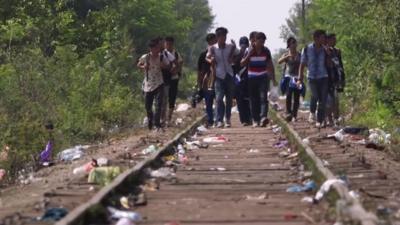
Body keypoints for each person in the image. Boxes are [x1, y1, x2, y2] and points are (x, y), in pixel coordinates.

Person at [241, 32, 277, 127]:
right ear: (255, 41)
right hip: (252, 78)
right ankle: (255, 120)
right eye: (259, 42)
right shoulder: (248, 50)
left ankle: (263, 118)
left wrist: (273, 78)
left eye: (263, 42)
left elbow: (269, 64)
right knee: (253, 99)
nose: (261, 44)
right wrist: (249, 54)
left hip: (263, 77)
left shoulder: (266, 51)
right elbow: (242, 64)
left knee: (263, 98)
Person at [298, 29, 330, 128]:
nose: (324, 39)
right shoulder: (307, 49)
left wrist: (328, 54)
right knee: (315, 95)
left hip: (323, 77)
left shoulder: (325, 50)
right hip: (311, 77)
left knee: (322, 100)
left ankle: (319, 121)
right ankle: (312, 112)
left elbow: (329, 64)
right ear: (316, 38)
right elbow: (302, 64)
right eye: (322, 37)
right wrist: (300, 78)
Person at [137, 38, 170, 131]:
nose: (157, 50)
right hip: (148, 84)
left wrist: (164, 66)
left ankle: (157, 124)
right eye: (155, 48)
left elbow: (168, 66)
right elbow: (138, 64)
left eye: (158, 48)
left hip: (159, 83)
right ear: (150, 49)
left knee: (158, 104)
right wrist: (144, 66)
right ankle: (150, 120)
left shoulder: (162, 57)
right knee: (148, 105)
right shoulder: (146, 57)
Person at [206, 27, 236, 128]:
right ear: (218, 37)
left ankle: (227, 119)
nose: (224, 39)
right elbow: (208, 57)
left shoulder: (230, 46)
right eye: (222, 36)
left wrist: (232, 58)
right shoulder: (213, 48)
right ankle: (219, 120)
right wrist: (211, 60)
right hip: (219, 75)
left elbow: (236, 56)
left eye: (225, 36)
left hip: (229, 74)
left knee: (229, 99)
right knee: (219, 98)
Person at [278, 37, 302, 122]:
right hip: (288, 77)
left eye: (295, 42)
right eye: (292, 43)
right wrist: (287, 57)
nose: (294, 44)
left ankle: (294, 115)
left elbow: (303, 64)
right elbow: (279, 61)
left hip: (297, 77)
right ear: (289, 45)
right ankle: (288, 112)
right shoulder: (286, 54)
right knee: (288, 95)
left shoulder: (299, 55)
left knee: (296, 97)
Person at [197, 33, 217, 127]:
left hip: (218, 79)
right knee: (208, 101)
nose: (214, 43)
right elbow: (200, 71)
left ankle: (218, 119)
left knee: (219, 100)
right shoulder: (203, 55)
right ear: (209, 42)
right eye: (213, 41)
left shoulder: (219, 53)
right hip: (207, 80)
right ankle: (210, 120)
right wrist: (199, 85)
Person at [326, 33, 345, 126]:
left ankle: (336, 118)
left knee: (336, 100)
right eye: (333, 39)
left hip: (336, 78)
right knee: (329, 101)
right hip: (326, 79)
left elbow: (340, 65)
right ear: (328, 40)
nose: (335, 41)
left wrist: (342, 78)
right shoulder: (324, 51)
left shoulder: (337, 51)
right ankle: (329, 119)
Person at [233, 36, 252, 126]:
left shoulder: (249, 53)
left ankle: (248, 119)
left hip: (247, 80)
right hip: (239, 80)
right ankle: (244, 120)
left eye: (245, 44)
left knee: (247, 101)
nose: (243, 46)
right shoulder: (237, 54)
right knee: (240, 101)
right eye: (242, 44)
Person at [164, 36, 183, 124]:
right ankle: (162, 117)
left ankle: (169, 118)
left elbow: (180, 65)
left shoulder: (176, 54)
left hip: (174, 79)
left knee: (172, 98)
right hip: (163, 79)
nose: (168, 46)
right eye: (167, 44)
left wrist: (175, 71)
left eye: (170, 44)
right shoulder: (162, 54)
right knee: (163, 98)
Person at [159, 38, 177, 127]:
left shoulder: (167, 54)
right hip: (154, 82)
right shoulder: (151, 54)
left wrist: (171, 68)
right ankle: (157, 119)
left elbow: (175, 62)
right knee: (156, 101)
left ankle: (162, 119)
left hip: (166, 80)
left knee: (164, 100)